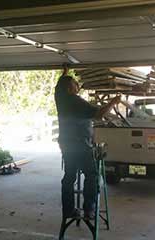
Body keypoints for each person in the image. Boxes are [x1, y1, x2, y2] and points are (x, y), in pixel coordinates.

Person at [55, 72, 121, 219]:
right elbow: (99, 114)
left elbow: (58, 85)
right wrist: (113, 102)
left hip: (66, 145)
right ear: (68, 88)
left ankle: (68, 210)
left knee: (69, 177)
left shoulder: (60, 98)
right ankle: (89, 209)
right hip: (80, 145)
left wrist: (65, 72)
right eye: (74, 83)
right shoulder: (76, 101)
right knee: (92, 175)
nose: (77, 85)